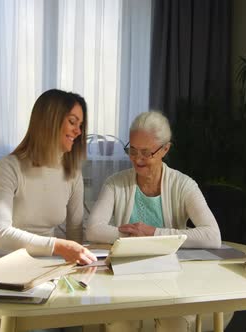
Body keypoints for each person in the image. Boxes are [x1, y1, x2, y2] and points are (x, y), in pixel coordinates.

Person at [85, 111, 222, 332]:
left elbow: (212, 236)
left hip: (172, 281)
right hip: (123, 279)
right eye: (133, 150)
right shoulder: (115, 183)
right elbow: (93, 230)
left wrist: (152, 234)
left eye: (146, 153)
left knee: (174, 324)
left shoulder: (184, 185)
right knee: (122, 325)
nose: (137, 159)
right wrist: (134, 237)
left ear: (165, 149)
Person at [0, 89, 97, 266]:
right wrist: (59, 246)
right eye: (72, 122)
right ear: (49, 121)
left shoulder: (73, 173)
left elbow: (74, 233)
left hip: (44, 264)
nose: (78, 131)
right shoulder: (9, 167)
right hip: (1, 261)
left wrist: (80, 264)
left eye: (80, 125)